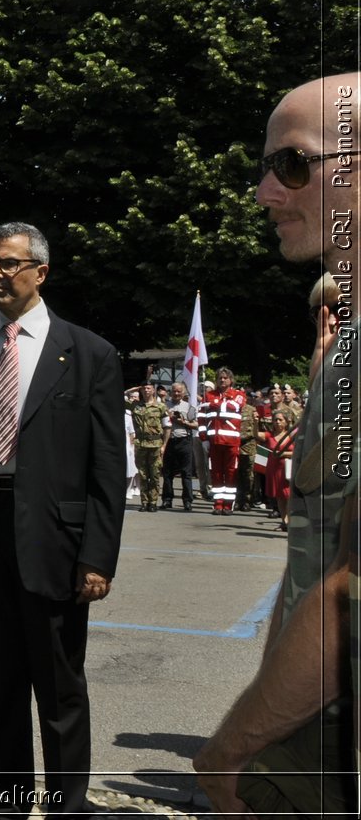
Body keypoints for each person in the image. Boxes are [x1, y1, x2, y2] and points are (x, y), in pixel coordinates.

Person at [195, 73, 361, 816]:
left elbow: (349, 594)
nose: (265, 192)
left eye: (292, 164)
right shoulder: (349, 348)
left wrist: (228, 751)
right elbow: (313, 564)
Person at [0, 222, 125, 816]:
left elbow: (107, 466)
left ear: (40, 272)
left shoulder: (88, 353)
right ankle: (7, 805)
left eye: (10, 264)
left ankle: (68, 806)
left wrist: (97, 556)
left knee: (61, 686)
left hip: (56, 540)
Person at [201, 367, 249, 515]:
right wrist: (204, 439)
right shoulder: (208, 395)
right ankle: (218, 504)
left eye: (225, 378)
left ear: (231, 380)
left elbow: (233, 406)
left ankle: (228, 505)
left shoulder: (239, 395)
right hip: (213, 441)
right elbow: (201, 415)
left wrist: (214, 404)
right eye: (220, 378)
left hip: (231, 442)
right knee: (215, 473)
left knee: (231, 473)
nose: (222, 380)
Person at [130, 382, 166, 513]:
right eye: (144, 388)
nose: (146, 390)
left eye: (148, 388)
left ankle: (153, 502)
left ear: (153, 390)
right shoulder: (135, 405)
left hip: (155, 444)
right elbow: (119, 397)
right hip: (140, 443)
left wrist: (164, 444)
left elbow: (167, 427)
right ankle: (144, 502)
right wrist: (134, 388)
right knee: (143, 474)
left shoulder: (161, 406)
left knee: (155, 474)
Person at [160, 382, 197, 511]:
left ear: (183, 393)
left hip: (184, 441)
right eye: (174, 391)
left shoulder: (189, 407)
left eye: (179, 391)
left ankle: (187, 500)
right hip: (169, 441)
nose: (176, 394)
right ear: (171, 392)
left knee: (186, 473)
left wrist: (183, 422)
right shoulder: (164, 406)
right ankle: (167, 499)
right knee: (167, 473)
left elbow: (196, 424)